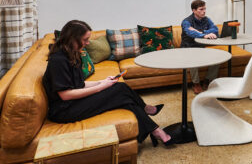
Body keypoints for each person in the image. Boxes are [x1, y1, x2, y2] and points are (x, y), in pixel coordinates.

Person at [43, 20, 172, 146]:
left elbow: (79, 84)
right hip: (65, 110)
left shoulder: (72, 54)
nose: (88, 43)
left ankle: (156, 131)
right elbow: (65, 95)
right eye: (85, 40)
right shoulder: (58, 60)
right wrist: (101, 87)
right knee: (120, 89)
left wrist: (103, 81)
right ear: (72, 39)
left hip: (74, 102)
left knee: (125, 100)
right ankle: (147, 112)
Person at [180, 0, 220, 94]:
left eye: (205, 9)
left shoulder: (206, 19)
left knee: (218, 58)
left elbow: (215, 30)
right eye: (201, 9)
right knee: (193, 60)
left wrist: (202, 32)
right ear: (194, 10)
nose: (204, 11)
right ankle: (196, 84)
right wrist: (204, 35)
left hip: (201, 48)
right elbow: (190, 32)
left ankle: (207, 80)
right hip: (188, 48)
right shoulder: (186, 21)